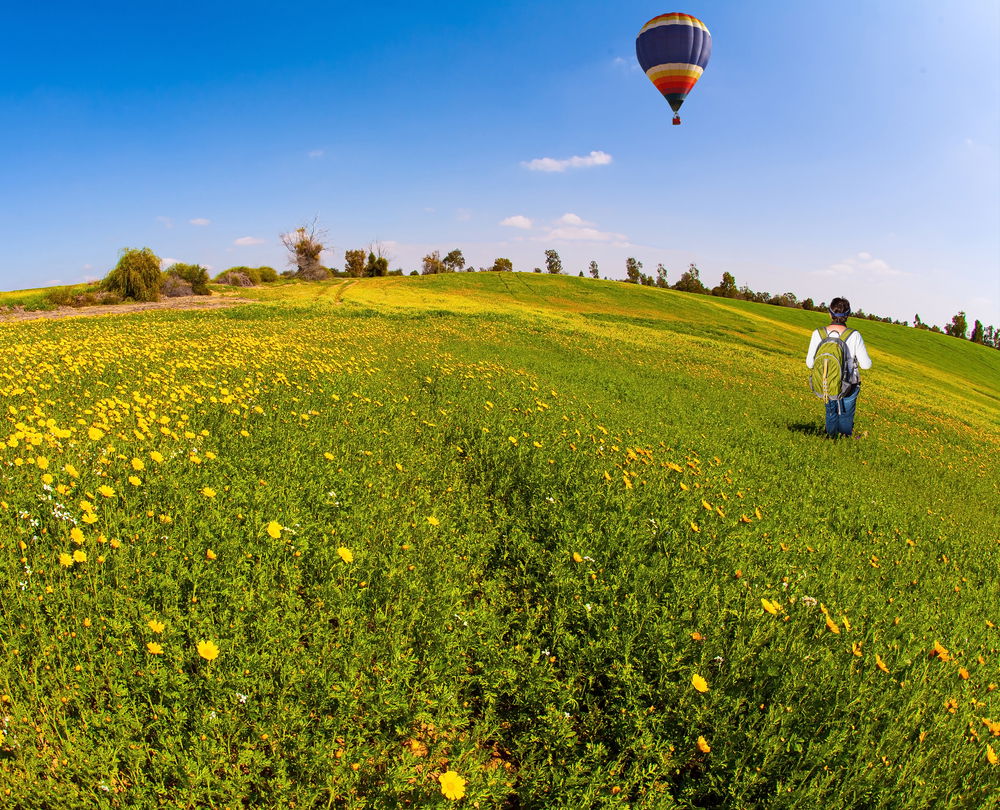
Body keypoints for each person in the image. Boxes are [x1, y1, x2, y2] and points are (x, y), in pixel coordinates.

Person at [805, 297, 872, 438]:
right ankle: (844, 440)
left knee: (831, 412)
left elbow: (810, 363)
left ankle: (831, 439)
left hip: (826, 381)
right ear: (848, 315)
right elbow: (866, 365)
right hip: (850, 384)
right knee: (846, 415)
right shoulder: (854, 335)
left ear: (830, 313)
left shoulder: (818, 333)